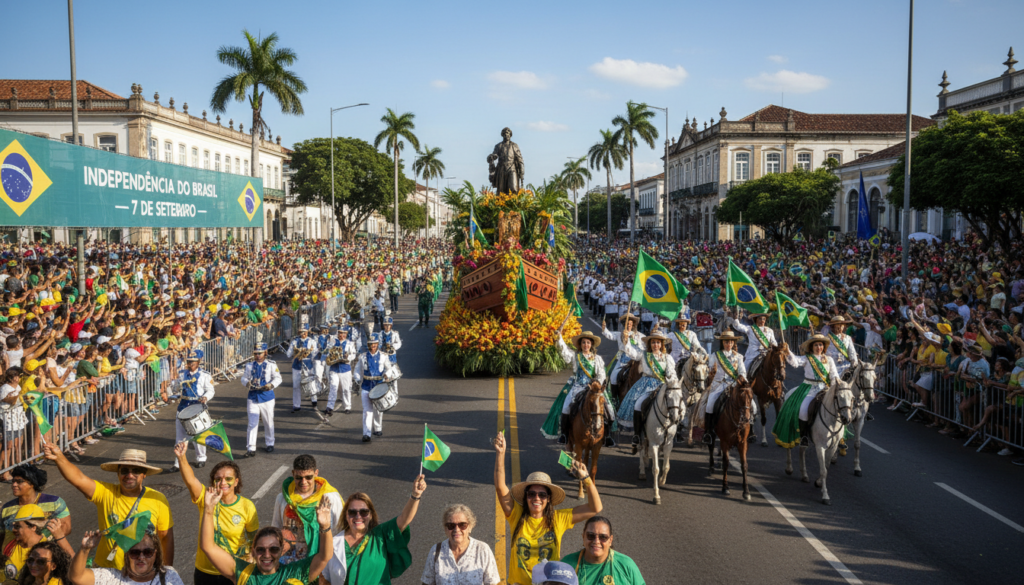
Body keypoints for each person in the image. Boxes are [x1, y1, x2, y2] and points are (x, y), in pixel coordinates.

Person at [493, 432, 601, 585]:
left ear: (548, 498)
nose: (536, 498)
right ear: (526, 496)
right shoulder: (516, 514)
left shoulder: (559, 519)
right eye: (532, 494)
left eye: (542, 495)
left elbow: (595, 508)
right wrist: (500, 453)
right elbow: (500, 487)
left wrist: (586, 478)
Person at [42, 446, 174, 568]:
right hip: (107, 570)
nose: (129, 475)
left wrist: (166, 571)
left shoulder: (157, 499)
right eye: (124, 471)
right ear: (118, 473)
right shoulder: (105, 493)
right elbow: (78, 479)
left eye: (136, 471)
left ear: (144, 474)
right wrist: (59, 458)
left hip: (143, 571)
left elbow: (165, 537)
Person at [172, 442, 258, 585]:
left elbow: (254, 538)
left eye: (228, 478)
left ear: (236, 482)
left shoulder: (247, 506)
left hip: (233, 571)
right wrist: (182, 458)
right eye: (218, 479)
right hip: (205, 572)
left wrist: (250, 558)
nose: (223, 482)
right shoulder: (206, 498)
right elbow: (191, 480)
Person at [334, 476, 425, 585]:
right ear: (346, 515)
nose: (358, 516)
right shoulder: (334, 544)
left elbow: (404, 519)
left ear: (371, 515)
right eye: (352, 512)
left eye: (364, 512)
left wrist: (415, 495)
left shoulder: (380, 535)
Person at [271, 455, 344, 566]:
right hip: (289, 563)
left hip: (321, 562)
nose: (303, 482)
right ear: (293, 473)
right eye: (299, 477)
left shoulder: (330, 498)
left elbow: (340, 531)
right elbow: (276, 529)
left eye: (308, 477)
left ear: (316, 473)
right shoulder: (282, 498)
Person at [545, 330, 613, 447]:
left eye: (588, 343)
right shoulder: (575, 356)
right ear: (580, 344)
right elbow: (564, 351)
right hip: (578, 386)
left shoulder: (597, 359)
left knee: (609, 410)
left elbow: (601, 374)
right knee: (566, 407)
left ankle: (607, 436)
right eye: (583, 342)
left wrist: (596, 383)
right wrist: (559, 338)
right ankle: (565, 435)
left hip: (593, 388)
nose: (586, 345)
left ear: (591, 344)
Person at [615, 329, 678, 453]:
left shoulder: (667, 358)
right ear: (650, 344)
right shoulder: (644, 355)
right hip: (645, 385)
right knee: (638, 405)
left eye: (658, 342)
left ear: (661, 344)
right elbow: (632, 353)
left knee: (673, 405)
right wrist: (626, 342)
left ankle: (672, 432)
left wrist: (671, 380)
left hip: (661, 385)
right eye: (653, 342)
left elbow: (671, 373)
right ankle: (637, 435)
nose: (656, 345)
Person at [773, 334, 840, 447]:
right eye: (816, 345)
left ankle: (839, 436)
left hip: (825, 388)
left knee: (839, 407)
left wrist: (834, 389)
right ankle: (804, 435)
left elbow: (834, 376)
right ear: (811, 347)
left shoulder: (829, 360)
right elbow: (795, 362)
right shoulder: (807, 358)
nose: (818, 347)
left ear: (823, 346)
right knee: (804, 410)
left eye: (820, 345)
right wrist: (788, 351)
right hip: (809, 388)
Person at [420, 504, 500, 585]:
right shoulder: (436, 551)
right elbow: (427, 582)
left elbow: (492, 582)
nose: (456, 529)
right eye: (451, 525)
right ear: (445, 529)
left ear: (470, 527)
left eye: (462, 525)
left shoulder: (482, 549)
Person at [71, 530, 185, 585]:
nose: (141, 557)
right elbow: (77, 577)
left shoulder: (168, 576)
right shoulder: (112, 578)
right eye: (135, 552)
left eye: (147, 552)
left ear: (155, 554)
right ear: (127, 555)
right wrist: (85, 549)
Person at [560, 516, 645, 585]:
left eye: (603, 537)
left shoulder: (626, 564)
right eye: (590, 535)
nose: (596, 541)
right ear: (583, 537)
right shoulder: (567, 564)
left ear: (610, 540)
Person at [1, 465, 71, 545]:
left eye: (19, 481)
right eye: (13, 481)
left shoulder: (55, 503)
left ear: (32, 484)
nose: (14, 484)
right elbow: (2, 535)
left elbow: (66, 528)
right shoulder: (6, 508)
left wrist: (42, 544)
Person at [2, 505, 74, 580]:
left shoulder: (48, 549)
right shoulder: (10, 544)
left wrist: (60, 538)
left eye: (17, 526)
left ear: (33, 527)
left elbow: (75, 565)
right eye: (13, 526)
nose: (13, 530)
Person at [171, 348, 215, 472]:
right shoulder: (182, 374)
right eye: (189, 362)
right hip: (183, 406)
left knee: (197, 435)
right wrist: (173, 383)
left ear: (199, 362)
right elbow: (175, 387)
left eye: (193, 362)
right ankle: (178, 462)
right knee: (180, 437)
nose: (191, 364)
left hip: (197, 407)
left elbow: (210, 390)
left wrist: (205, 397)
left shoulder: (205, 375)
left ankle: (201, 458)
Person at [702, 329, 749, 445]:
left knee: (751, 404)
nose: (729, 344)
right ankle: (708, 431)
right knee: (710, 404)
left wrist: (741, 378)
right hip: (719, 385)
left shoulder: (738, 356)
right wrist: (711, 373)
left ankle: (750, 430)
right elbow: (709, 370)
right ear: (722, 342)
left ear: (734, 343)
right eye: (726, 342)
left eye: (731, 342)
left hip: (734, 385)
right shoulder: (715, 356)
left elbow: (742, 371)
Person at [352, 334, 400, 442]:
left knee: (378, 409)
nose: (373, 347)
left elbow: (389, 368)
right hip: (366, 386)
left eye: (374, 344)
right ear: (368, 345)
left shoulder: (383, 356)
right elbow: (357, 370)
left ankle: (378, 428)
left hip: (378, 386)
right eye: (371, 345)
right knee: (367, 411)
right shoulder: (362, 357)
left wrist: (386, 375)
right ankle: (366, 434)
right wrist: (358, 379)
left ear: (377, 344)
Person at [240, 342, 282, 457]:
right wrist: (247, 383)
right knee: (252, 423)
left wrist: (271, 385)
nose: (258, 356)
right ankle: (251, 447)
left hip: (267, 397)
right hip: (253, 396)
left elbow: (278, 378)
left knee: (268, 421)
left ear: (265, 352)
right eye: (256, 353)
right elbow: (244, 378)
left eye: (260, 353)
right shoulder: (249, 365)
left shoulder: (271, 365)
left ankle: (270, 443)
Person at [601, 314, 642, 398]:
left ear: (633, 324)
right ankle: (614, 398)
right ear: (624, 324)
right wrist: (604, 329)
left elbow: (643, 347)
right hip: (622, 360)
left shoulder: (639, 336)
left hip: (636, 360)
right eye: (627, 323)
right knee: (613, 376)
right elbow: (610, 335)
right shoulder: (620, 334)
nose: (628, 325)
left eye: (630, 323)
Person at [727, 309, 777, 374]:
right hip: (752, 354)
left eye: (764, 319)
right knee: (743, 372)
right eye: (760, 319)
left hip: (766, 354)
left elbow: (774, 342)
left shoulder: (770, 330)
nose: (762, 321)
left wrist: (776, 347)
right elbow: (738, 326)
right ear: (756, 319)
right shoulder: (750, 329)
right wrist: (736, 318)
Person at [325, 326, 357, 416]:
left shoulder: (350, 343)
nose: (341, 335)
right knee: (333, 387)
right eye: (340, 333)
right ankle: (330, 406)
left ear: (346, 334)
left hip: (345, 369)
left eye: (343, 333)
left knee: (346, 388)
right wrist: (330, 357)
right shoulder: (332, 342)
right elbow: (327, 353)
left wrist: (348, 358)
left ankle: (347, 406)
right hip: (334, 369)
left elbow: (353, 354)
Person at [286, 324, 318, 413]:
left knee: (311, 383)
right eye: (301, 332)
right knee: (296, 386)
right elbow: (288, 354)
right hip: (297, 366)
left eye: (305, 332)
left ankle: (314, 401)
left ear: (307, 332)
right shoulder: (294, 342)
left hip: (308, 365)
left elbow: (315, 354)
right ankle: (296, 405)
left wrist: (309, 354)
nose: (303, 334)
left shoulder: (312, 341)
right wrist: (294, 351)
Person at [379, 316, 402, 395]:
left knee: (394, 378)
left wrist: (393, 347)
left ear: (391, 325)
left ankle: (395, 394)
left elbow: (399, 343)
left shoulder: (395, 333)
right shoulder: (381, 334)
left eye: (389, 325)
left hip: (392, 358)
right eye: (385, 325)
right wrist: (382, 348)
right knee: (384, 378)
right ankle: (386, 394)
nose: (387, 327)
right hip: (384, 357)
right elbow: (379, 344)